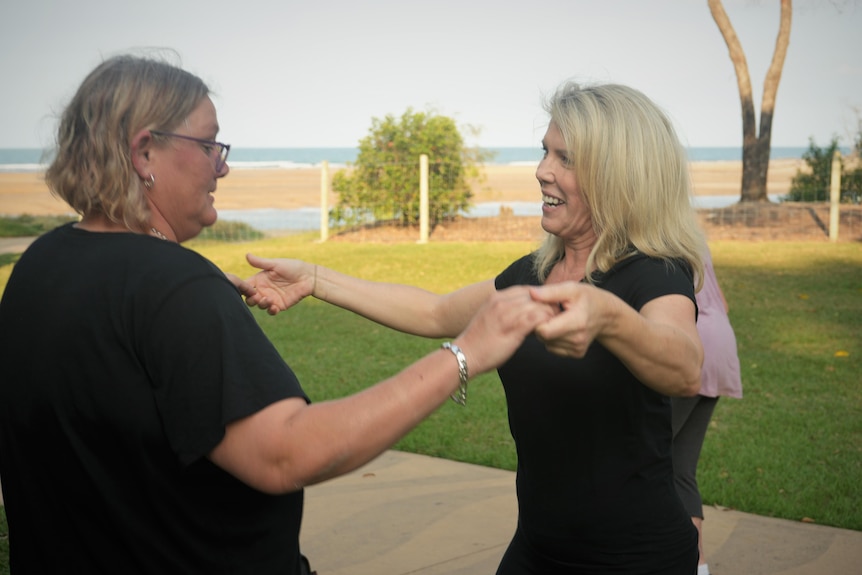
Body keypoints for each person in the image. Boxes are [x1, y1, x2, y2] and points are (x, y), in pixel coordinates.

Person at [0, 53, 555, 574]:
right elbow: (287, 453)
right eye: (209, 145)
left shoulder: (42, 264)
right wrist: (466, 353)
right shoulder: (175, 287)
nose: (222, 168)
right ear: (144, 151)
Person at [243, 81, 709, 574]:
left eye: (565, 159)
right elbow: (434, 313)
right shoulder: (532, 274)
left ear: (619, 175)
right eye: (544, 152)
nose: (542, 171)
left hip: (637, 561)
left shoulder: (654, 273)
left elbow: (683, 365)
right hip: (536, 550)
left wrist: (610, 317)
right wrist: (316, 279)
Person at [672, 246, 743, 575]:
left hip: (691, 349)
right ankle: (697, 565)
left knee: (636, 455)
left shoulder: (659, 242)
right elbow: (722, 302)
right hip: (721, 345)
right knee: (681, 468)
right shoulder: (694, 239)